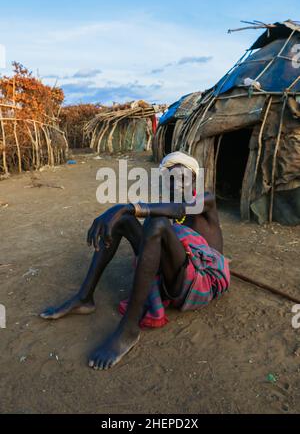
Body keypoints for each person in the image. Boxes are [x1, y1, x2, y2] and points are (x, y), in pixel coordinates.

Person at [40, 152, 230, 370]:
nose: (177, 184)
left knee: (155, 222)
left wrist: (123, 206)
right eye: (171, 178)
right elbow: (162, 218)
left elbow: (179, 209)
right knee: (126, 222)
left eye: (183, 178)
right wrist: (121, 213)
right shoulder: (167, 206)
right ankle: (84, 298)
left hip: (201, 280)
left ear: (194, 180)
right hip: (177, 274)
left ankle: (129, 329)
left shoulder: (206, 199)